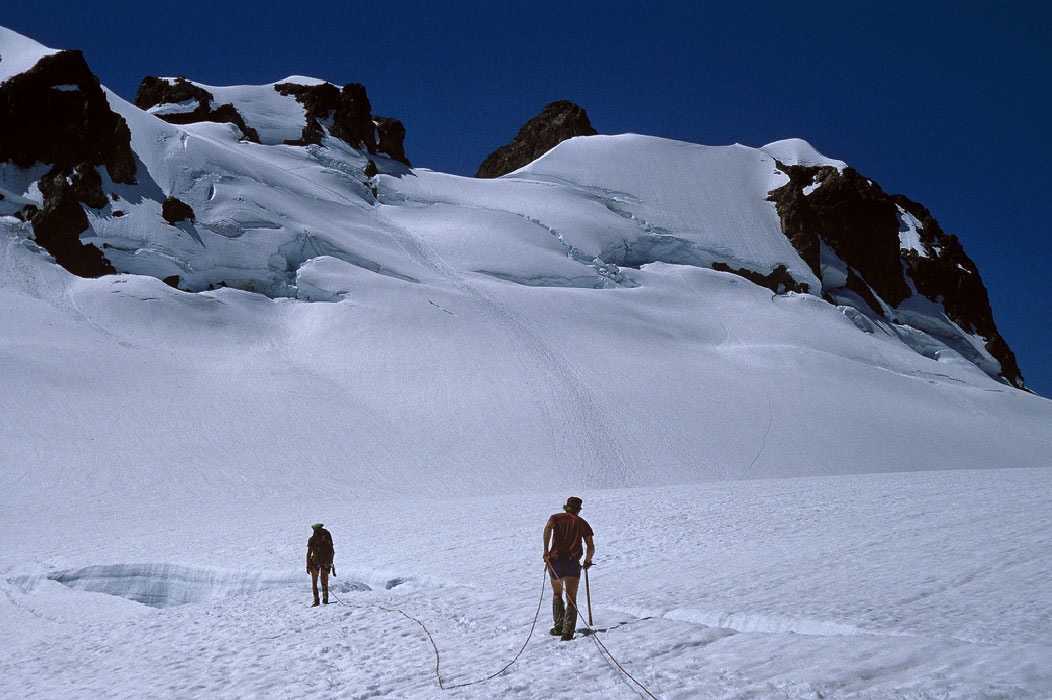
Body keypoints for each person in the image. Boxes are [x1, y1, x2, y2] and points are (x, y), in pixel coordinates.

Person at [542, 496, 595, 640]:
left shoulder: (555, 518)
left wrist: (546, 551)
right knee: (571, 598)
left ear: (566, 507)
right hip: (572, 563)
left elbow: (547, 529)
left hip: (556, 561)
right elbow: (591, 546)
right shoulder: (582, 523)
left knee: (557, 594)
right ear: (579, 509)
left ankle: (559, 626)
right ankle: (567, 632)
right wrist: (587, 561)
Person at [306, 523, 334, 606]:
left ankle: (316, 600)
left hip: (315, 562)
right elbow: (332, 551)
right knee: (324, 581)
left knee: (314, 582)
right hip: (326, 561)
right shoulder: (327, 537)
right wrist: (330, 561)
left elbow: (308, 553)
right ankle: (325, 599)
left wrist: (308, 565)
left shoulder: (312, 539)